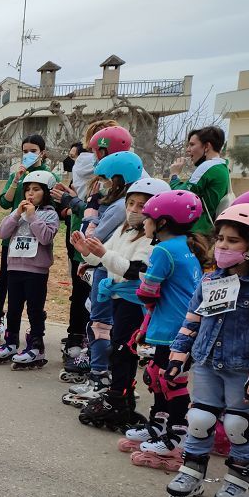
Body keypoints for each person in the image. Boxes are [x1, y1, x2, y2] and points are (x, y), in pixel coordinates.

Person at [80, 190, 205, 443]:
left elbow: (148, 291)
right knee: (160, 377)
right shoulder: (185, 245)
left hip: (170, 326)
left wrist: (121, 287)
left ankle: (176, 433)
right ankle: (158, 425)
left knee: (168, 381)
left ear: (162, 223)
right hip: (178, 324)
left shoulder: (163, 250)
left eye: (147, 216)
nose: (142, 219)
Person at [162, 203, 249, 497]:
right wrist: (178, 355)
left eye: (233, 241)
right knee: (199, 418)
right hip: (206, 361)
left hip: (242, 367)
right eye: (221, 239)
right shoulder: (210, 281)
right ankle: (192, 471)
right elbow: (192, 320)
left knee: (239, 426)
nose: (223, 246)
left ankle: (240, 478)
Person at [70, 178, 166, 450]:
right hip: (116, 295)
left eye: (142, 206)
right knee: (118, 345)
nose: (135, 210)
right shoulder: (125, 230)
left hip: (133, 299)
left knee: (124, 349)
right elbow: (106, 257)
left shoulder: (151, 238)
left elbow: (136, 269)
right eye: (131, 204)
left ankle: (121, 397)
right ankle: (118, 394)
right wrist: (88, 253)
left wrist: (102, 254)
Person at [61, 150, 144, 408]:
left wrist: (90, 221)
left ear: (119, 179)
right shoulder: (122, 215)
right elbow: (100, 248)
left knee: (103, 328)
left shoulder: (118, 208)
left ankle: (104, 380)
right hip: (105, 275)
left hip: (117, 284)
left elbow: (102, 243)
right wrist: (87, 252)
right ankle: (101, 377)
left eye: (106, 179)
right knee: (98, 325)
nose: (102, 185)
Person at [0, 170, 61, 369]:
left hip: (36, 270)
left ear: (46, 192)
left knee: (34, 310)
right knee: (13, 308)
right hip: (14, 267)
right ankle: (11, 342)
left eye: (36, 190)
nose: (30, 194)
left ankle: (36, 346)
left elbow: (46, 237)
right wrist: (16, 214)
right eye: (28, 190)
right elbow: (2, 232)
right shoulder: (19, 214)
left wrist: (32, 217)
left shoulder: (50, 214)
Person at [0, 135, 56, 342]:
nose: (28, 154)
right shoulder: (17, 176)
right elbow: (3, 203)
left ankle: (36, 334)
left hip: (36, 256)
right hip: (14, 246)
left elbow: (47, 233)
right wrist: (17, 180)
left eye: (33, 150)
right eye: (25, 150)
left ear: (42, 152)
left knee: (34, 301)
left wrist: (32, 215)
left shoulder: (47, 177)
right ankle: (1, 322)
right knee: (8, 288)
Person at [169, 126, 232, 235]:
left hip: (196, 232)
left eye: (192, 145)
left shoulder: (207, 166)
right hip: (208, 231)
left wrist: (174, 175)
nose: (188, 150)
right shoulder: (223, 166)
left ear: (207, 146)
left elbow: (180, 196)